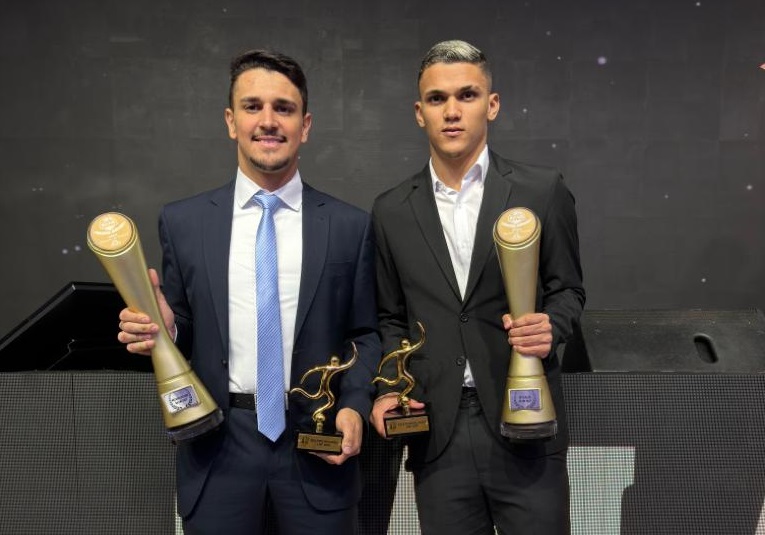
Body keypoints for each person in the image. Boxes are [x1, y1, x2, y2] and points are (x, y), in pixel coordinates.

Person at [117, 49, 380, 535]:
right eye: (252, 106)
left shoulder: (350, 226)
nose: (268, 121)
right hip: (217, 449)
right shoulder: (184, 222)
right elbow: (187, 327)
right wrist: (165, 327)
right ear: (230, 121)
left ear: (305, 125)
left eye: (284, 108)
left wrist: (353, 403)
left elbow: (366, 332)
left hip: (317, 445)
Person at [370, 40, 585, 534]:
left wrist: (551, 326)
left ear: (492, 104)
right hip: (436, 431)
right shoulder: (391, 210)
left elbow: (568, 289)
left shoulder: (541, 189)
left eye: (466, 95)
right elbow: (388, 318)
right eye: (437, 98)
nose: (452, 111)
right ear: (418, 112)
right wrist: (387, 389)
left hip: (526, 423)